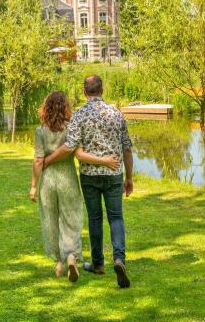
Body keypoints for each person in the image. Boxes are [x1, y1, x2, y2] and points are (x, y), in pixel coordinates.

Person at [43, 75, 133, 288]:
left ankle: (98, 263)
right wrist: (129, 177)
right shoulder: (116, 113)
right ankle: (119, 259)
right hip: (113, 174)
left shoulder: (79, 115)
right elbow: (127, 148)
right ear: (102, 89)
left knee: (94, 218)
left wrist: (46, 159)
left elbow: (70, 146)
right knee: (116, 217)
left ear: (85, 92)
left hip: (89, 176)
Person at [29, 91, 119, 282]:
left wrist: (34, 186)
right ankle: (71, 256)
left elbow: (38, 161)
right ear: (66, 108)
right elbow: (76, 152)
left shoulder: (40, 131)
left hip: (48, 181)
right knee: (71, 218)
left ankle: (59, 263)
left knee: (51, 220)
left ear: (46, 108)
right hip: (68, 178)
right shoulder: (71, 128)